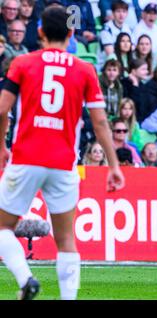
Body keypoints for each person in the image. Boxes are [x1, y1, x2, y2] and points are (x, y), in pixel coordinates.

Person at [0, 6, 125, 300]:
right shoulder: (84, 70)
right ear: (71, 34)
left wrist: (1, 146)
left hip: (26, 158)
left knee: (3, 227)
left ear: (40, 32)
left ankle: (26, 279)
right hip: (63, 163)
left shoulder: (21, 63)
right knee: (66, 239)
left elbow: (2, 109)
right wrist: (114, 165)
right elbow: (100, 122)